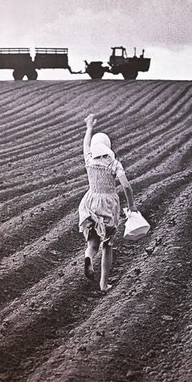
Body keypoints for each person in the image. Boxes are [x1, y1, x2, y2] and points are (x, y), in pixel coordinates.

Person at [79, 114, 136, 291]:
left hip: (90, 204)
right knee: (107, 245)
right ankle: (103, 284)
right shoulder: (114, 163)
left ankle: (88, 256)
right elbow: (126, 186)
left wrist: (89, 126)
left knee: (93, 244)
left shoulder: (89, 158)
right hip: (108, 206)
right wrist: (131, 206)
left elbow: (86, 143)